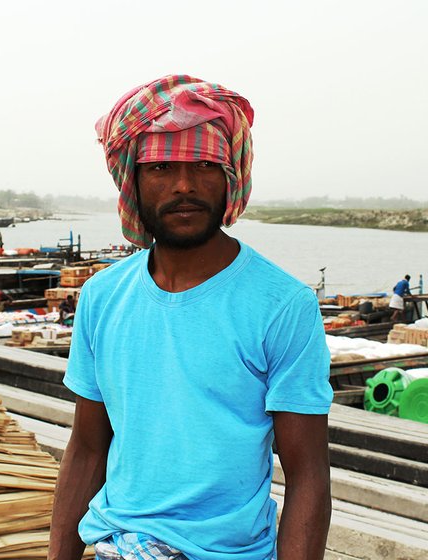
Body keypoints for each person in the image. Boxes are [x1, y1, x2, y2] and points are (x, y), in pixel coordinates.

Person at [49, 75, 333, 560]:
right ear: (132, 183)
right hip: (117, 546)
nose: (184, 185)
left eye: (204, 164)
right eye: (160, 167)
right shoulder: (102, 298)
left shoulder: (283, 305)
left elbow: (307, 474)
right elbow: (88, 448)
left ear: (230, 178)